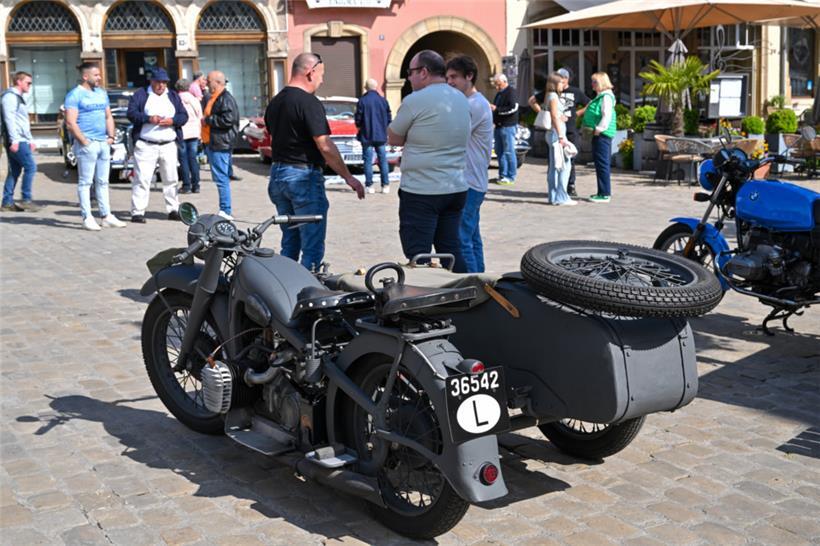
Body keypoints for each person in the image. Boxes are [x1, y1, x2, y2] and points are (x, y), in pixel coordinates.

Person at [265, 53, 365, 271]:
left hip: (278, 175)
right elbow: (325, 145)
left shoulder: (276, 102)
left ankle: (286, 288)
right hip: (302, 177)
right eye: (321, 74)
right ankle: (306, 292)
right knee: (311, 245)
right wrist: (349, 177)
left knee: (290, 242)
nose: (322, 80)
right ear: (310, 72)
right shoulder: (308, 102)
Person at [388, 50, 471, 264]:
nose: (409, 77)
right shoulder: (461, 98)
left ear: (423, 72)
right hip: (455, 187)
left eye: (411, 72)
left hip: (422, 189)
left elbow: (394, 138)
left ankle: (425, 294)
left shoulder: (415, 100)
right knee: (451, 250)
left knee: (418, 255)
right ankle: (462, 293)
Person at [64, 62, 127, 230]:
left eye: (99, 75)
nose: (99, 78)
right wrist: (84, 141)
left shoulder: (101, 93)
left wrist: (111, 137)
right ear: (86, 76)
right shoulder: (75, 95)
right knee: (85, 182)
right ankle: (87, 217)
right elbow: (70, 122)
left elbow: (108, 116)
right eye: (96, 75)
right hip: (87, 144)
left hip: (103, 143)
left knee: (103, 181)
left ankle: (106, 215)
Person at [445, 55, 493, 273]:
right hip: (472, 181)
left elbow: (451, 137)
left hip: (469, 182)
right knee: (472, 237)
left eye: (454, 77)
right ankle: (483, 285)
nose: (450, 82)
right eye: (447, 77)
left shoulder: (474, 105)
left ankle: (473, 288)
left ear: (470, 76)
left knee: (461, 239)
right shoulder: (473, 103)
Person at [126, 67, 188, 223]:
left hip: (168, 144)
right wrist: (148, 118)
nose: (161, 85)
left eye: (164, 82)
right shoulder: (141, 95)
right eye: (158, 82)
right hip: (147, 144)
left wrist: (173, 121)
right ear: (151, 81)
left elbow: (183, 115)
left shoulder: (173, 96)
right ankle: (138, 212)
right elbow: (131, 114)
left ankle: (173, 209)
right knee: (142, 178)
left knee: (171, 178)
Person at [529, 68, 589, 197]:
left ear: (567, 79)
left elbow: (589, 103)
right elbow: (532, 101)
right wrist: (543, 113)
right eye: (559, 80)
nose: (562, 82)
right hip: (557, 131)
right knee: (556, 162)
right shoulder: (551, 94)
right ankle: (558, 191)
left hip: (570, 129)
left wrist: (576, 114)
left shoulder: (575, 91)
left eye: (563, 79)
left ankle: (569, 185)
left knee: (569, 159)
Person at [201, 70, 239, 219]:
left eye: (209, 81)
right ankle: (225, 208)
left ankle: (225, 210)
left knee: (221, 178)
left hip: (220, 143)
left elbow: (228, 120)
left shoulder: (225, 98)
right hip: (213, 141)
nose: (206, 83)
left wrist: (208, 120)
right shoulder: (215, 97)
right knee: (220, 177)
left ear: (217, 82)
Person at [1, 71, 39, 212]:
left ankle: (7, 202)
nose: (30, 85)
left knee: (15, 171)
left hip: (21, 139)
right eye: (28, 82)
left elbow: (22, 122)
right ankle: (26, 199)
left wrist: (30, 139)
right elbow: (9, 119)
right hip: (17, 140)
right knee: (31, 167)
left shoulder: (18, 98)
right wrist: (14, 140)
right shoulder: (10, 98)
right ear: (19, 82)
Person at [581, 72, 616, 203]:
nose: (592, 84)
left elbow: (606, 115)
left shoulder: (606, 97)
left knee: (602, 163)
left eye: (594, 82)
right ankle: (602, 191)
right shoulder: (603, 96)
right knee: (600, 163)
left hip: (602, 134)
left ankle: (604, 193)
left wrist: (598, 129)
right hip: (600, 134)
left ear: (601, 82)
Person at [355, 78, 392, 194]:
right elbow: (389, 117)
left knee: (367, 160)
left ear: (365, 87)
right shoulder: (383, 100)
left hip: (366, 135)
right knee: (383, 160)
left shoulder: (362, 101)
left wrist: (360, 125)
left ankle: (369, 186)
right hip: (381, 135)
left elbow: (358, 119)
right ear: (376, 87)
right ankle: (385, 185)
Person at [544, 72, 576, 206]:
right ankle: (561, 196)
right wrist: (562, 136)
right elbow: (554, 116)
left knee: (554, 166)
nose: (563, 85)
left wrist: (562, 116)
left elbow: (555, 115)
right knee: (564, 165)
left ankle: (553, 196)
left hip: (552, 133)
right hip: (557, 135)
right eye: (561, 82)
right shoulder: (553, 96)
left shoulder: (549, 96)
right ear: (555, 83)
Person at [490, 73, 519, 185]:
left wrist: (497, 109)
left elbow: (513, 108)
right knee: (499, 152)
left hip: (508, 126)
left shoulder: (511, 92)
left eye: (498, 84)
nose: (496, 87)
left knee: (509, 151)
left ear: (504, 81)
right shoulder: (499, 94)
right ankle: (502, 175)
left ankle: (510, 176)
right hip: (499, 126)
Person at [175, 78, 203, 194]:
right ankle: (196, 185)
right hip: (194, 132)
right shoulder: (194, 99)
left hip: (182, 132)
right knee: (193, 158)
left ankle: (186, 185)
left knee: (183, 160)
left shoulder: (176, 99)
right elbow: (199, 116)